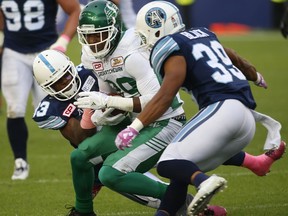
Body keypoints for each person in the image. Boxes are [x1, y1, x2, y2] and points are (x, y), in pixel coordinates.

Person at [114, 1, 286, 215]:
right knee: (180, 170)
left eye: (144, 34)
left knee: (167, 163)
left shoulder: (170, 45)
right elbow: (232, 55)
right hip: (246, 121)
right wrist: (255, 75)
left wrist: (135, 127)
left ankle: (204, 182)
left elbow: (166, 95)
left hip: (223, 111)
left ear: (156, 27)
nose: (144, 40)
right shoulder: (202, 33)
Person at [73, 1, 229, 216]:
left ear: (114, 29)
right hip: (132, 121)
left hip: (164, 120)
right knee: (79, 157)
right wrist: (103, 112)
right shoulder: (90, 55)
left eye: (98, 35)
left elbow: (155, 99)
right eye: (88, 36)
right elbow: (108, 91)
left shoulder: (132, 52)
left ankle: (182, 199)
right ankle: (83, 212)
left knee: (110, 174)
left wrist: (109, 102)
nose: (93, 42)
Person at [32, 49, 176, 215]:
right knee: (162, 199)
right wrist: (89, 112)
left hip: (129, 129)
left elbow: (124, 93)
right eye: (57, 83)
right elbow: (81, 138)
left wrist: (112, 102)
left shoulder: (90, 71)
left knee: (171, 162)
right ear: (46, 88)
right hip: (100, 155)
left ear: (71, 68)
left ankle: (196, 184)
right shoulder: (50, 108)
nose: (65, 84)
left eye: (66, 76)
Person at [0, 0, 81, 180]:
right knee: (15, 108)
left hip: (47, 51)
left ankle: (86, 154)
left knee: (61, 108)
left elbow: (75, 10)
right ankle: (20, 161)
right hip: (13, 52)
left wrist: (63, 41)